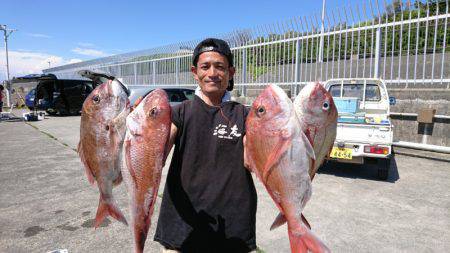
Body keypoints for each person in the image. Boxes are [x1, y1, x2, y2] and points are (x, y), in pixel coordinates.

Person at [154, 38, 258, 253]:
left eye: (220, 67)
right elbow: (155, 157)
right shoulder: (179, 112)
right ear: (195, 72)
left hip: (234, 224)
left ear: (231, 72)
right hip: (183, 221)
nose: (212, 73)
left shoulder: (245, 115)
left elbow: (253, 162)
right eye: (205, 66)